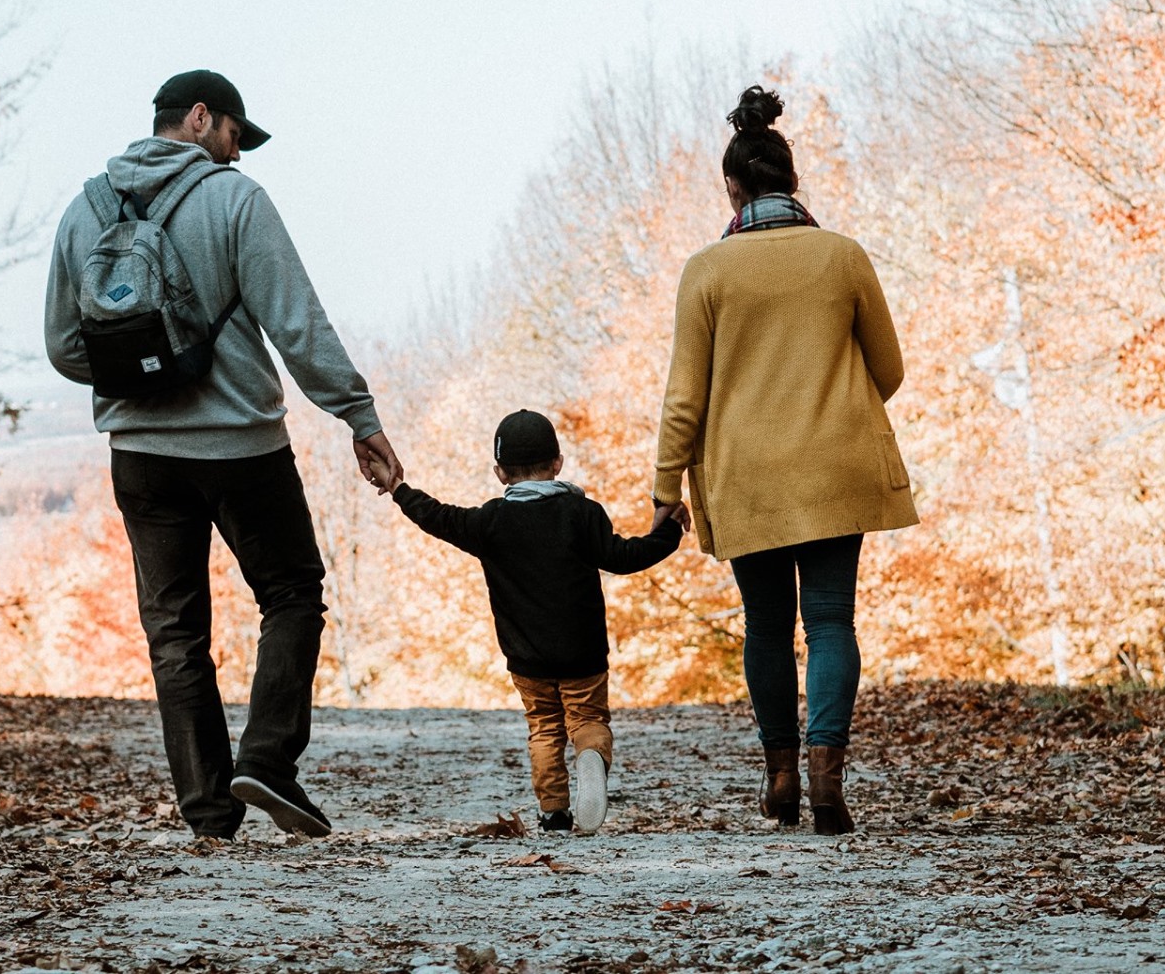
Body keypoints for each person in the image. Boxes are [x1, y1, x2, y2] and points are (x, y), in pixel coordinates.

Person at [44, 68, 402, 840]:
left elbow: (64, 346)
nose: (239, 155)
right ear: (201, 117)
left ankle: (209, 812)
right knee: (293, 590)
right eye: (237, 135)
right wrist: (358, 416)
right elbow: (297, 324)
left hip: (139, 452)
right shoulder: (236, 200)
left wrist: (142, 375)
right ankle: (267, 760)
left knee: (175, 631)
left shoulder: (85, 209)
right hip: (240, 442)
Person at [651, 85, 917, 836]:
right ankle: (830, 773)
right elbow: (888, 369)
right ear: (793, 183)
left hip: (748, 478)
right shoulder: (843, 256)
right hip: (837, 467)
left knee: (767, 628)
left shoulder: (706, 271)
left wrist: (664, 484)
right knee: (831, 621)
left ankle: (781, 776)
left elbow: (684, 395)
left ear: (732, 188)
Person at [369, 410, 684, 834]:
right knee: (587, 719)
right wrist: (668, 532)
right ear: (558, 463)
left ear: (500, 472)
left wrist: (398, 488)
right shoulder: (581, 512)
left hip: (526, 658)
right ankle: (590, 755)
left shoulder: (489, 521)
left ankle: (554, 812)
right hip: (583, 651)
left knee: (545, 728)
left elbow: (436, 516)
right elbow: (625, 557)